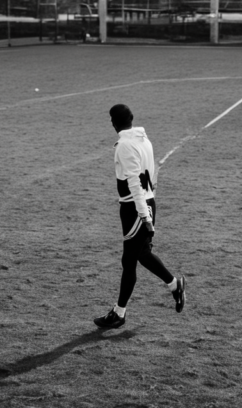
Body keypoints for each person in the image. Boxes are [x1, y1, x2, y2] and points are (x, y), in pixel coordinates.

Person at [94, 104, 185, 329]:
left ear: (114, 123)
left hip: (135, 208)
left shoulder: (125, 145)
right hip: (146, 202)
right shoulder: (144, 140)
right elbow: (150, 175)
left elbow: (134, 183)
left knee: (132, 260)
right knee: (139, 255)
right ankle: (173, 285)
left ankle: (120, 312)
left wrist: (144, 216)